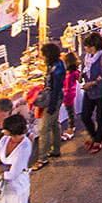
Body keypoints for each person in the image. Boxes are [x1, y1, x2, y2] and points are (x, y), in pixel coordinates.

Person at [31, 43, 65, 171]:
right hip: (56, 98)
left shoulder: (56, 69)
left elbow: (55, 89)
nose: (42, 57)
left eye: (43, 55)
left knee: (44, 129)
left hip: (53, 100)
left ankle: (42, 158)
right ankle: (56, 149)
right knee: (55, 123)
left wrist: (51, 106)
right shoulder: (57, 64)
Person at [80, 33, 102, 153]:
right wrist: (81, 76)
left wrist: (91, 83)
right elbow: (85, 69)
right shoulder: (87, 57)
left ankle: (99, 139)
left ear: (94, 46)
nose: (85, 48)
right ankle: (93, 134)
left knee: (100, 116)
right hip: (89, 91)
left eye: (87, 46)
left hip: (100, 92)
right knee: (85, 115)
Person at [60, 50, 80, 142]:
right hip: (67, 93)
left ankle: (71, 128)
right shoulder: (67, 71)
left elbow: (79, 79)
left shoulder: (73, 72)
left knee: (70, 111)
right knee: (70, 110)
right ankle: (72, 126)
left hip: (68, 94)